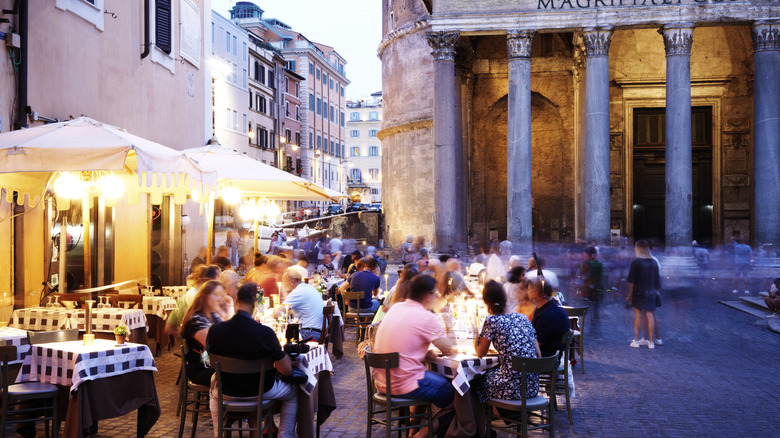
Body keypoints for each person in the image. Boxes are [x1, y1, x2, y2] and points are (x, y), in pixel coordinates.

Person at [207, 283, 298, 438]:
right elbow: (286, 370)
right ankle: (285, 434)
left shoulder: (215, 330)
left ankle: (219, 434)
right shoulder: (265, 333)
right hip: (261, 390)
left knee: (214, 391)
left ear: (236, 302)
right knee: (294, 391)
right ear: (254, 305)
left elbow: (210, 362)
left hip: (227, 390)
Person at [373, 274, 457, 410]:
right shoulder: (426, 317)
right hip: (404, 384)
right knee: (458, 393)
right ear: (427, 296)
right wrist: (449, 322)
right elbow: (450, 349)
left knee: (436, 381)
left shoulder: (395, 308)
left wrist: (423, 354)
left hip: (383, 381)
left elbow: (401, 344)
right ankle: (433, 430)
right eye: (435, 293)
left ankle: (422, 428)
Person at [474, 280, 541, 404]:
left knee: (475, 380)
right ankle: (507, 417)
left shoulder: (492, 321)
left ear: (485, 301)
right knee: (492, 373)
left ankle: (480, 421)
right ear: (505, 298)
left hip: (511, 389)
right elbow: (539, 355)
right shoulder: (523, 317)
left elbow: (480, 353)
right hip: (532, 387)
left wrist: (474, 332)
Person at [180, 280, 230, 387]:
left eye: (222, 296)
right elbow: (214, 346)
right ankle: (223, 402)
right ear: (205, 297)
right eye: (217, 295)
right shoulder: (196, 319)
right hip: (202, 368)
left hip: (215, 365)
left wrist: (225, 313)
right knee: (243, 375)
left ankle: (226, 402)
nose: (221, 299)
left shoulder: (213, 315)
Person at [166, 265, 221, 335]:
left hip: (191, 342)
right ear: (206, 281)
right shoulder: (207, 299)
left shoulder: (182, 299)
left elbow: (169, 328)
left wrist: (186, 334)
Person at [627, 240, 661, 349]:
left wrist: (629, 294)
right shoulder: (654, 262)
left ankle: (636, 341)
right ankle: (651, 342)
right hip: (651, 291)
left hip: (638, 291)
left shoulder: (636, 262)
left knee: (638, 316)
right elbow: (657, 280)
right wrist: (657, 291)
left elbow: (632, 281)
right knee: (650, 315)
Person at [276, 267, 325, 341]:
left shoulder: (297, 292)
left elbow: (280, 310)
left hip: (310, 333)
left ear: (291, 281)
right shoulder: (308, 287)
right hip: (317, 331)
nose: (283, 285)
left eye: (284, 283)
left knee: (280, 339)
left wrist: (273, 312)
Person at [528, 279, 570, 358]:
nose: (528, 292)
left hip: (547, 359)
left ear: (539, 293)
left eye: (531, 289)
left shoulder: (546, 315)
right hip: (550, 355)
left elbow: (537, 344)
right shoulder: (547, 307)